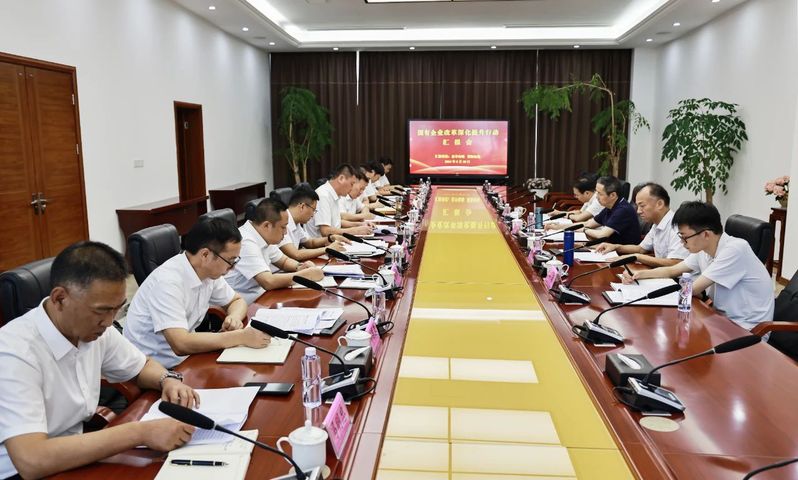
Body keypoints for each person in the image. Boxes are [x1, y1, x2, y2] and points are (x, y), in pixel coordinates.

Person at [0, 242, 200, 479]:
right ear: (60, 298)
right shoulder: (14, 353)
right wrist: (140, 433)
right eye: (101, 311)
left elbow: (141, 366)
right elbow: (31, 460)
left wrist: (167, 380)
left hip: (75, 455)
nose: (109, 321)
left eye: (117, 309)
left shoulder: (93, 329)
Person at [125, 218, 271, 368]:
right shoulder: (167, 282)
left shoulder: (208, 272)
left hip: (189, 356)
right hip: (156, 367)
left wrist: (233, 317)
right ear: (205, 255)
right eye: (230, 261)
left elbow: (236, 301)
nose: (232, 268)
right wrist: (238, 337)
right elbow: (180, 344)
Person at [624, 201, 774, 330]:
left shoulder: (735, 249)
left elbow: (692, 289)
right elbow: (672, 270)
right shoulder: (704, 249)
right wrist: (638, 275)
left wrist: (645, 294)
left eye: (685, 237)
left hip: (747, 328)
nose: (682, 243)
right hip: (720, 319)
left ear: (706, 234)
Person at [225, 198, 325, 303]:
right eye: (283, 227)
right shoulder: (245, 241)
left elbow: (284, 261)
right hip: (244, 303)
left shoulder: (263, 235)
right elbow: (268, 281)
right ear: (267, 225)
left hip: (263, 296)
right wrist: (306, 275)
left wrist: (300, 267)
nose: (285, 232)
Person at [595, 182, 688, 267]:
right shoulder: (657, 224)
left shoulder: (677, 225)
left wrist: (637, 257)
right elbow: (641, 249)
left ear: (659, 204)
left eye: (642, 206)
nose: (638, 211)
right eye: (637, 206)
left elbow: (676, 262)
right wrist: (615, 247)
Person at [280, 187, 349, 262]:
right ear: (302, 206)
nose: (313, 215)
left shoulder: (296, 222)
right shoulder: (281, 222)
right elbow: (296, 254)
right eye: (313, 210)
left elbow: (310, 242)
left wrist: (330, 238)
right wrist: (328, 249)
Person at [305, 164, 373, 238]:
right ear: (341, 178)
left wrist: (360, 225)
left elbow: (337, 223)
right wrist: (355, 230)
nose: (352, 188)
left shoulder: (335, 195)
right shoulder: (323, 195)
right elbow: (325, 231)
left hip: (334, 240)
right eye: (351, 184)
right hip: (323, 244)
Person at [582, 176, 641, 244]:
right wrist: (571, 228)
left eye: (600, 193)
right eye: (596, 192)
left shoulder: (623, 210)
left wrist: (585, 230)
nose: (596, 197)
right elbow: (589, 224)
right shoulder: (610, 206)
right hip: (610, 247)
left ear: (613, 195)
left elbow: (602, 235)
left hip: (623, 250)